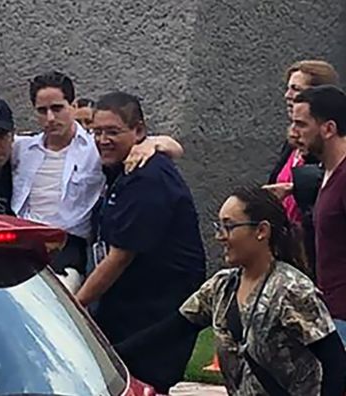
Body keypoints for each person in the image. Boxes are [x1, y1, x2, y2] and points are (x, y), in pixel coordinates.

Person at [0, 72, 185, 292]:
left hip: (68, 247)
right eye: (42, 111)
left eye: (57, 108)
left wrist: (149, 145)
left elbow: (172, 147)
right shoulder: (22, 148)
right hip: (22, 242)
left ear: (73, 106)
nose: (50, 118)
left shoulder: (96, 148)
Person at [115, 186, 346, 395]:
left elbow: (335, 362)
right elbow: (170, 331)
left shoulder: (291, 289)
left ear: (261, 231)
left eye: (229, 226)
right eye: (219, 227)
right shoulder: (221, 287)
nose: (220, 236)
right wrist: (107, 357)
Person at [75, 92, 205, 393]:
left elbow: (120, 256)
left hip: (154, 314)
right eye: (97, 131)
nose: (103, 139)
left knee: (135, 385)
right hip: (128, 307)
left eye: (113, 131)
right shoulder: (121, 169)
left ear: (139, 131)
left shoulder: (148, 177)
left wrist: (74, 307)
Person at [263, 60, 339, 275]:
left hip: (312, 251)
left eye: (296, 89)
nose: (288, 95)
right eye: (287, 88)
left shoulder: (327, 146)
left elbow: (328, 181)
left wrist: (291, 187)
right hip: (285, 247)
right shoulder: (291, 145)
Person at [290, 85, 346, 345]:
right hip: (331, 310)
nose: (294, 132)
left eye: (301, 124)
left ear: (328, 129)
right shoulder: (326, 174)